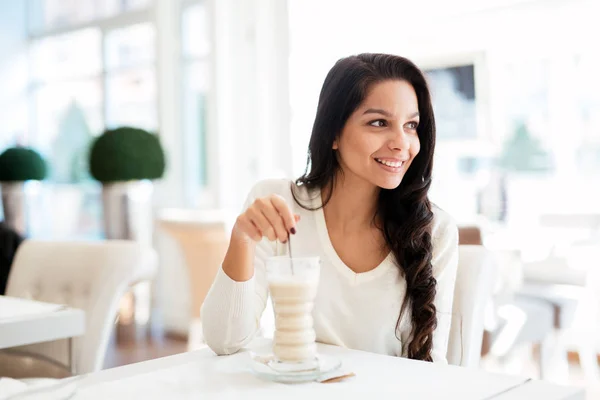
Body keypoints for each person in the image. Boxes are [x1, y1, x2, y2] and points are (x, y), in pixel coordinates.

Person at [201, 53, 459, 363]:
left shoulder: (435, 230)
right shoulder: (278, 205)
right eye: (379, 122)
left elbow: (430, 366)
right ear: (333, 132)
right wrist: (242, 239)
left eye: (411, 125)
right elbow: (225, 341)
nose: (401, 143)